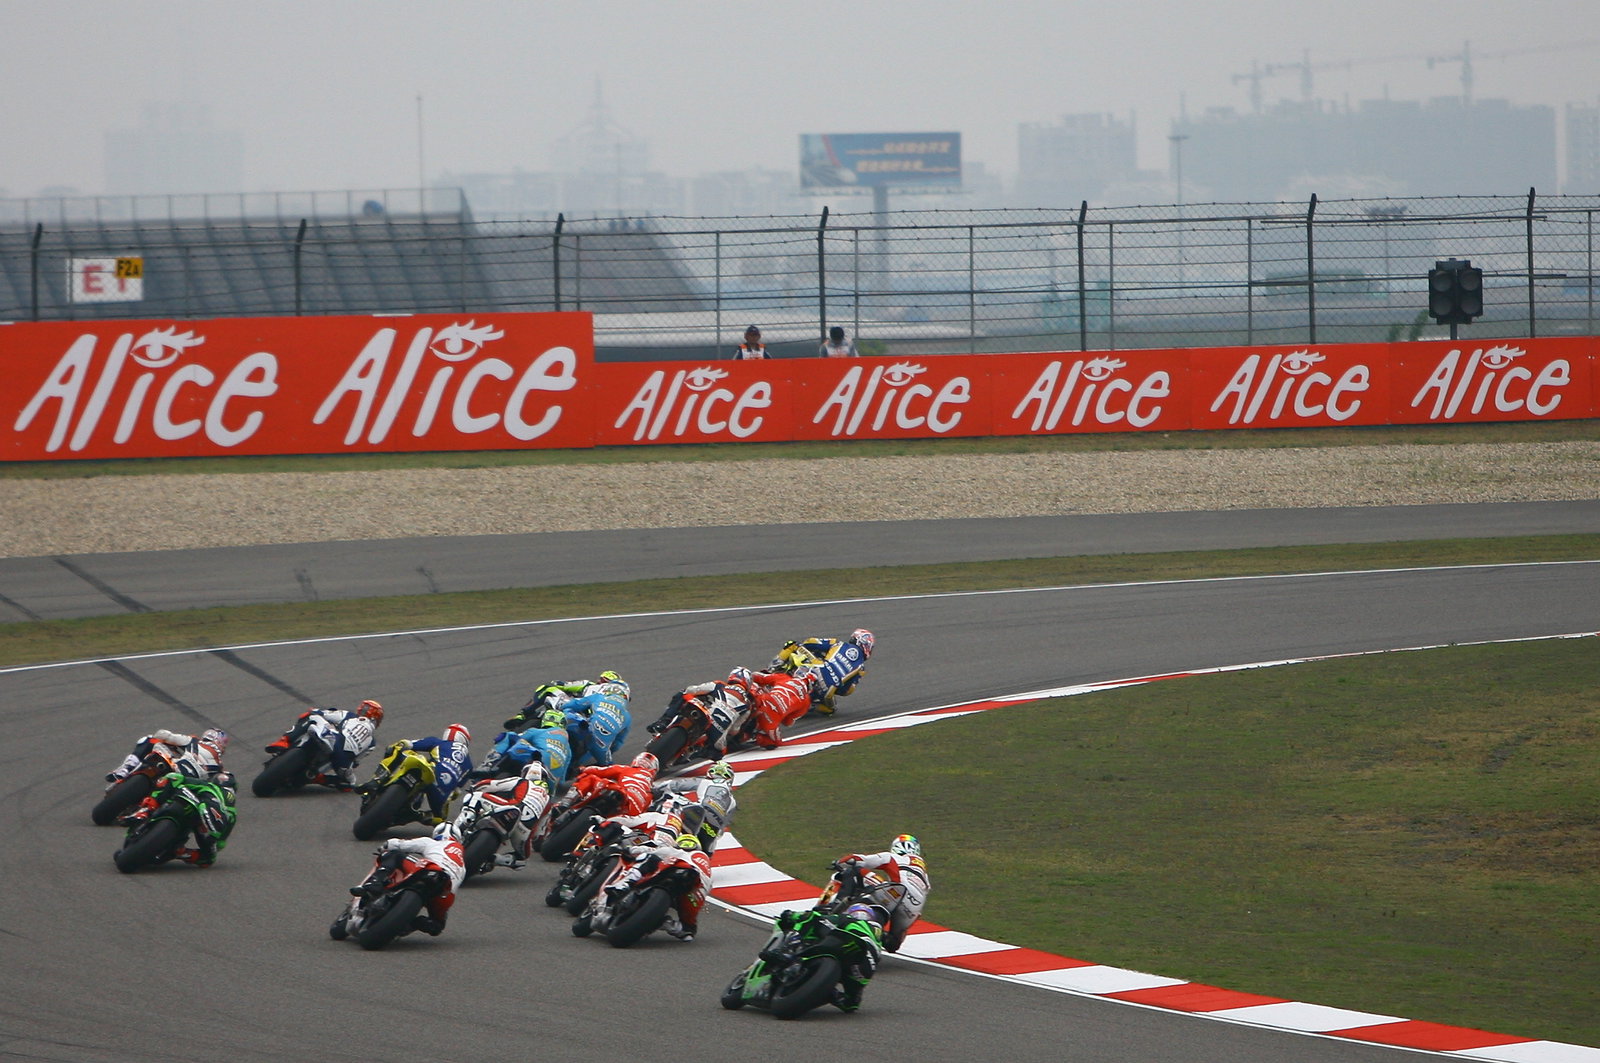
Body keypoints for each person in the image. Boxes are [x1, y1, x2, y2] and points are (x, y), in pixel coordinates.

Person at [349, 821, 467, 937]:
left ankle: (375, 883)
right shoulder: (462, 863)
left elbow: (398, 844)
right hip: (446, 891)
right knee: (437, 925)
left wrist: (385, 846)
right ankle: (412, 924)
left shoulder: (432, 843)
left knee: (394, 855)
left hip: (430, 869)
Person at [772, 902, 886, 1012]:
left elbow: (822, 918)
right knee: (851, 1003)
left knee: (813, 917)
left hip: (848, 941)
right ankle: (832, 994)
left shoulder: (848, 918)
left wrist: (791, 915)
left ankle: (787, 950)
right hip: (864, 968)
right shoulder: (877, 934)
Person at [603, 828, 713, 941]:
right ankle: (667, 924)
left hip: (683, 877)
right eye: (684, 843)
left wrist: (630, 849)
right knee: (688, 931)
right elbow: (709, 887)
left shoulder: (679, 853)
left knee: (650, 857)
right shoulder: (707, 865)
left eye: (688, 843)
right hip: (696, 892)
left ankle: (626, 883)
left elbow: (652, 850)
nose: (686, 845)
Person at [831, 833, 930, 952]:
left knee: (854, 871)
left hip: (897, 892)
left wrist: (841, 862)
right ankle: (881, 935)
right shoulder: (923, 872)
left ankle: (835, 906)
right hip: (914, 908)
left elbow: (862, 860)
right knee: (892, 944)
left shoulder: (895, 857)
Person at [263, 699, 383, 790]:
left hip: (334, 739)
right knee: (349, 784)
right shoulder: (372, 743)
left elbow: (321, 713)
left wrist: (317, 711)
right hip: (343, 761)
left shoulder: (349, 716)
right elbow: (356, 761)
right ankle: (317, 777)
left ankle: (284, 740)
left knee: (311, 715)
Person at [127, 770, 238, 867]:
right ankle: (182, 852)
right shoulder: (232, 812)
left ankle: (146, 809)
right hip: (201, 820)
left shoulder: (209, 785)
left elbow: (176, 778)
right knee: (208, 859)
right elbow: (220, 843)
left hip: (194, 807)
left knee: (172, 778)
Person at [467, 760, 554, 870]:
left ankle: (464, 821)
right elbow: (539, 834)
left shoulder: (521, 781)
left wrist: (474, 787)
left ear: (525, 773)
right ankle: (497, 859)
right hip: (524, 829)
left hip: (510, 808)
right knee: (522, 858)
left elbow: (492, 785)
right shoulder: (548, 801)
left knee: (476, 796)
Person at [772, 628, 875, 716]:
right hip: (828, 688)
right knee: (831, 710)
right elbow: (847, 691)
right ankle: (806, 707)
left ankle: (771, 670)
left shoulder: (839, 644)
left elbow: (810, 642)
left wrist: (807, 648)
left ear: (855, 639)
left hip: (818, 667)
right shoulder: (861, 668)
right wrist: (836, 684)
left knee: (792, 644)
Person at [385, 723, 473, 824]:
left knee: (398, 749)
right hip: (441, 793)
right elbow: (456, 792)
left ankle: (378, 778)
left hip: (430, 771)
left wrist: (392, 748)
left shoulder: (438, 742)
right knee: (440, 819)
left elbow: (408, 744)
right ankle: (419, 816)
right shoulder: (469, 766)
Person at [651, 759, 737, 850]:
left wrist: (653, 789)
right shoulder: (733, 802)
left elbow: (674, 785)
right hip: (712, 831)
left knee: (671, 798)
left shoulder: (705, 781)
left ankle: (662, 831)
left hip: (698, 815)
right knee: (707, 850)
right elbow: (723, 828)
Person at [502, 670, 625, 731]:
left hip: (575, 710)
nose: (600, 683)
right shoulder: (617, 703)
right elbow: (565, 685)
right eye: (602, 680)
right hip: (586, 720)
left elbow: (563, 685)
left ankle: (523, 715)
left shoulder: (589, 685)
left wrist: (560, 684)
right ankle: (523, 715)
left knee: (547, 688)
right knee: (548, 689)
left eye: (604, 681)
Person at [555, 750, 660, 821]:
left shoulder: (628, 769)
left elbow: (599, 771)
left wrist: (582, 769)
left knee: (590, 778)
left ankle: (565, 803)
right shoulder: (652, 789)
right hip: (632, 813)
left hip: (622, 794)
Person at [725, 666, 815, 749]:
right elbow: (787, 722)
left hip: (762, 699)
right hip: (770, 718)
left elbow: (757, 676)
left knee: (747, 680)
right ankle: (751, 737)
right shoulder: (806, 702)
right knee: (776, 742)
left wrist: (757, 683)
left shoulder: (784, 677)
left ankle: (728, 692)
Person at [106, 726, 229, 784]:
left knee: (149, 739)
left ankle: (125, 769)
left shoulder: (193, 741)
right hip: (186, 786)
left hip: (174, 768)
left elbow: (163, 735)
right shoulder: (220, 768)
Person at [482, 707, 573, 786]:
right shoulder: (568, 749)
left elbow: (517, 739)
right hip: (551, 781)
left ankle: (488, 764)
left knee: (509, 736)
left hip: (536, 763)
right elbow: (562, 780)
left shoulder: (537, 731)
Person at [558, 675, 632, 769]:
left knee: (567, 711)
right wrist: (609, 751)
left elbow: (576, 704)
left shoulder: (599, 697)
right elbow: (618, 743)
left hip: (587, 729)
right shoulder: (627, 717)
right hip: (601, 746)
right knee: (608, 767)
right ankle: (579, 771)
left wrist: (561, 708)